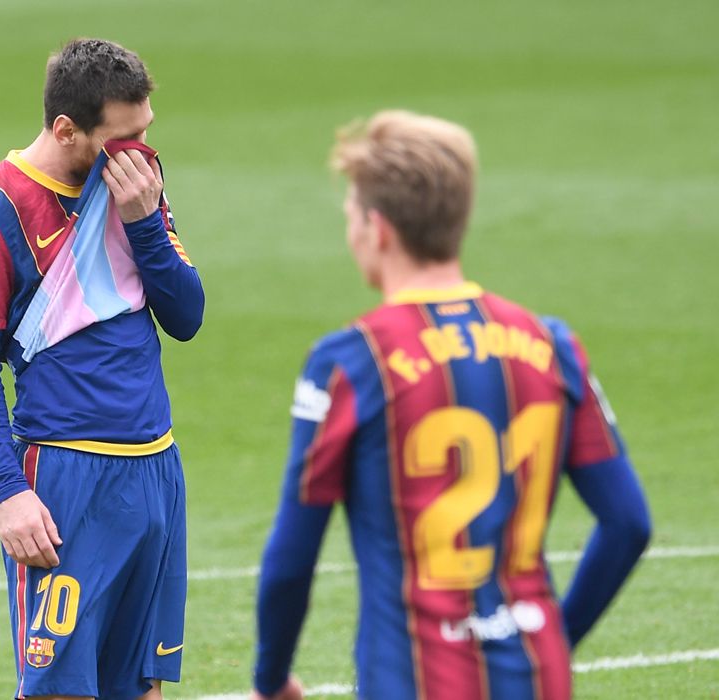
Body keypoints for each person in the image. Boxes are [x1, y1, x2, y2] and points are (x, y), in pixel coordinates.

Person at [250, 110, 652, 700]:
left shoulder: (352, 362)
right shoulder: (552, 344)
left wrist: (270, 679)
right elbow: (628, 524)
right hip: (539, 676)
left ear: (378, 228)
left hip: (410, 679)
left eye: (352, 219)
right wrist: (554, 640)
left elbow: (291, 558)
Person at [0, 39, 204, 700]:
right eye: (126, 135)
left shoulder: (133, 186)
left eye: (146, 129)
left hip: (155, 471)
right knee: (59, 689)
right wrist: (8, 491)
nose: (142, 148)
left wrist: (146, 224)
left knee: (138, 687)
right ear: (67, 129)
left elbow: (186, 316)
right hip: (64, 479)